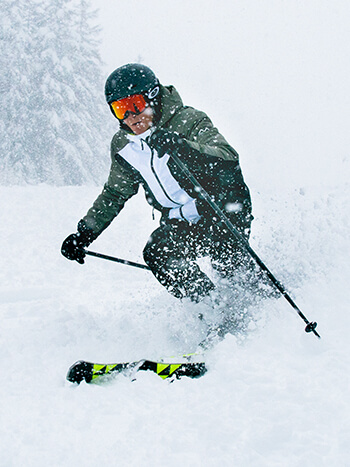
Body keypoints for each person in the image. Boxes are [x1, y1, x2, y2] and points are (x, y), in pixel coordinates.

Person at [61, 63, 255, 303]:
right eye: (120, 109)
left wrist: (182, 148)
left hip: (221, 208)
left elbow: (227, 157)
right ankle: (210, 306)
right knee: (158, 252)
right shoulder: (124, 144)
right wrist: (84, 234)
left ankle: (256, 304)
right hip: (181, 219)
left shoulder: (188, 121)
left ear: (152, 97)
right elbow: (114, 193)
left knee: (230, 267)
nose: (130, 117)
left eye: (135, 105)